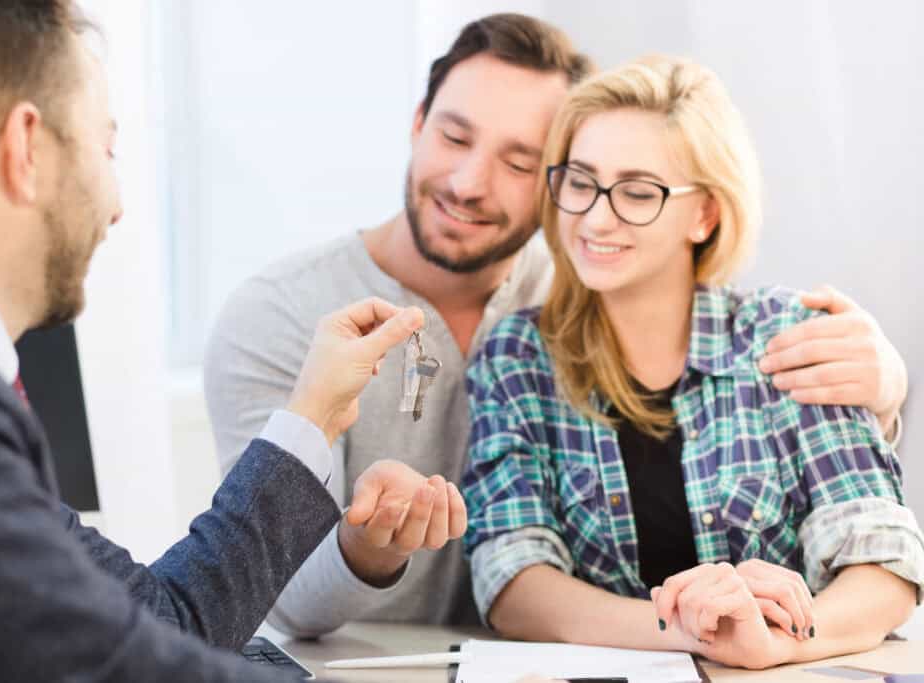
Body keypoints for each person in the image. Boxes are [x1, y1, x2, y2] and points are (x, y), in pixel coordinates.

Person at [204, 13, 910, 637]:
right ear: (417, 123)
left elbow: (877, 545)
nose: (471, 183)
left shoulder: (605, 286)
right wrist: (692, 621)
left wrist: (888, 388)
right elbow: (274, 587)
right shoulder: (287, 319)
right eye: (454, 137)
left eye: (520, 161)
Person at [0, 2, 429, 681]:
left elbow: (156, 618)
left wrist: (313, 414)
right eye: (106, 151)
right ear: (26, 148)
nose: (116, 205)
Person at [461, 55, 923, 670]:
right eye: (580, 181)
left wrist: (776, 641)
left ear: (704, 213)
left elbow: (882, 561)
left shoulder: (790, 336)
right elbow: (514, 581)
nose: (596, 217)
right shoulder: (516, 357)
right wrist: (691, 628)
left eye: (637, 192)